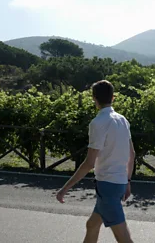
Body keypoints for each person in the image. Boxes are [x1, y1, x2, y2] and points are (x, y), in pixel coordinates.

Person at [56, 80, 135, 243]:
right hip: (118, 183)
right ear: (113, 98)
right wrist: (127, 181)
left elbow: (89, 163)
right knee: (92, 225)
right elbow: (132, 154)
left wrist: (64, 189)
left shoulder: (98, 123)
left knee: (124, 239)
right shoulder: (122, 120)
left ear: (94, 98)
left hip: (107, 186)